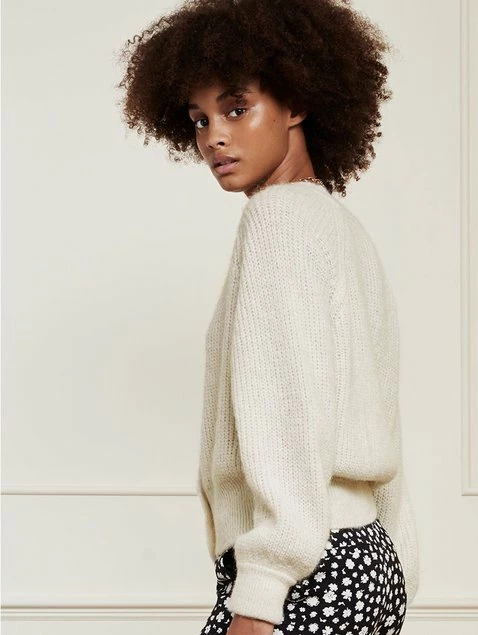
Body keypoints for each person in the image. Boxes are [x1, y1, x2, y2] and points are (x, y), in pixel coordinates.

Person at [116, 1, 419, 634]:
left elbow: (288, 410)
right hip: (368, 559)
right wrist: (399, 559)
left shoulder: (278, 221)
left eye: (236, 108)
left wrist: (262, 588)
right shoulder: (341, 229)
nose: (213, 138)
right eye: (199, 119)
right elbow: (381, 406)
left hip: (307, 569)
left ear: (297, 102)